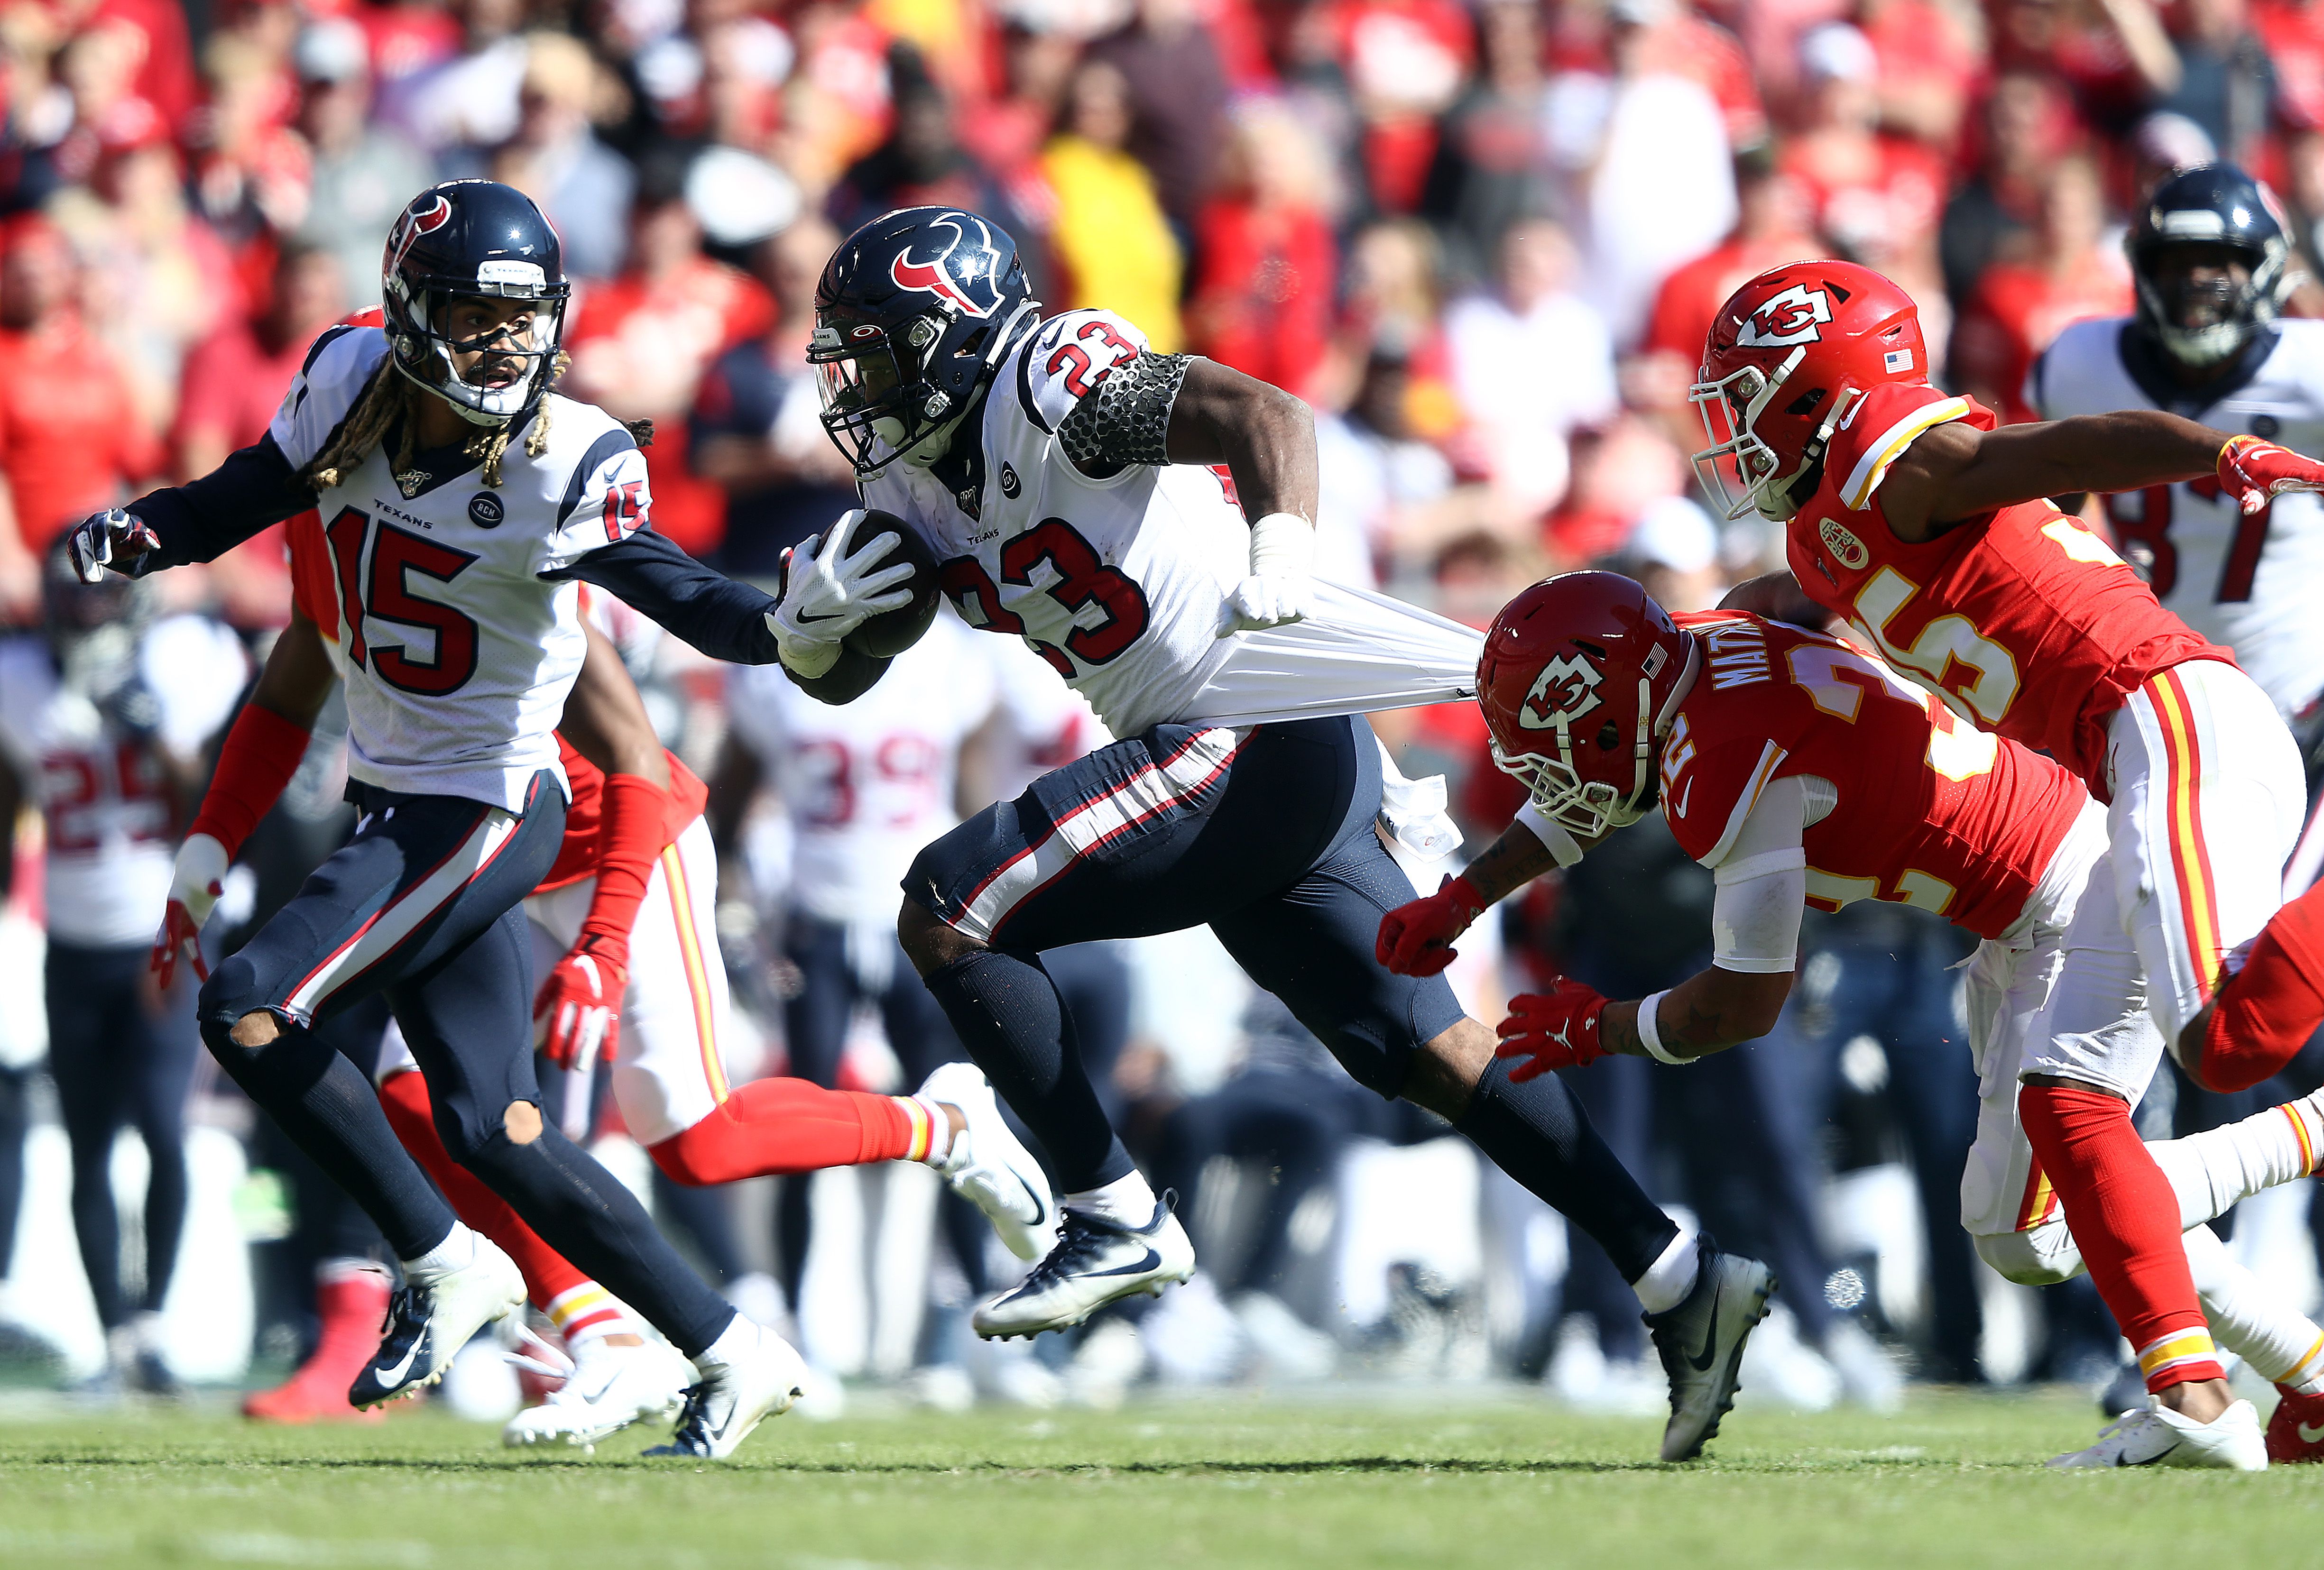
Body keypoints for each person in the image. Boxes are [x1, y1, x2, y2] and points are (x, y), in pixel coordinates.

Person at [788, 204, 1774, 1463]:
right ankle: (1676, 1275)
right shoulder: (909, 481)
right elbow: (840, 673)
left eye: (878, 350)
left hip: (1239, 720)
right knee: (1421, 1049)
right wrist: (808, 638)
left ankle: (1108, 1209)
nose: (857, 383)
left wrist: (1283, 548)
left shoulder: (1049, 384)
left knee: (950, 905)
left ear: (951, 335)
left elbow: (1267, 418)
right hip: (1250, 747)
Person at [68, 179, 816, 1459]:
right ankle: (729, 1345)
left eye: (526, 326)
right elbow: (243, 502)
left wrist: (788, 623)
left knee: (251, 1004)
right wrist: (134, 535)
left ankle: (437, 1260)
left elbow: (691, 601)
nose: (506, 352)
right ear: (411, 317)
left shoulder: (562, 456)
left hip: (483, 800)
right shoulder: (348, 386)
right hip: (402, 795)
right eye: (478, 322)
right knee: (495, 1130)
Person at [1380, 572, 2324, 1466]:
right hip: (2030, 898)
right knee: (2025, 1231)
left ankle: (2208, 1364)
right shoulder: (1700, 645)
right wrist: (1463, 900)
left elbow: (1741, 1003)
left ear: (1602, 699)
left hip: (2074, 895)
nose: (1544, 761)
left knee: (2063, 1174)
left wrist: (1603, 1027)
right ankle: (2310, 1373)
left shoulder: (1727, 766)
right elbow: (1600, 794)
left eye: (1553, 731)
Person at [169, 504, 1053, 1445]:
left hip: (618, 849)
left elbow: (634, 762)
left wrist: (605, 942)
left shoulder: (496, 560)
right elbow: (288, 691)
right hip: (492, 864)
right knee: (414, 1095)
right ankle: (600, 1332)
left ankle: (944, 1125)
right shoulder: (345, 550)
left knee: (693, 1140)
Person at [1698, 259, 2324, 1463]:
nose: (1730, 424)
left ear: (1815, 386)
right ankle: (2244, 1392)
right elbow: (1815, 587)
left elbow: (2056, 451)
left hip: (2166, 716)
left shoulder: (1897, 449)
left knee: (2224, 1044)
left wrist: (2209, 452)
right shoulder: (1822, 535)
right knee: (2046, 1165)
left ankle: (2199, 1349)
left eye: (1748, 391)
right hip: (2114, 770)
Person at [0, 547, 246, 1394]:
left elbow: (214, 802)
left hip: (160, 941)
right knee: (90, 1144)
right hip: (72, 941)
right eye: (73, 600)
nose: (86, 615)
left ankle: (152, 1329)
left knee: (163, 1128)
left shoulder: (187, 661)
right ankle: (113, 1340)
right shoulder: (19, 679)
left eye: (102, 599)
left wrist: (155, 736)